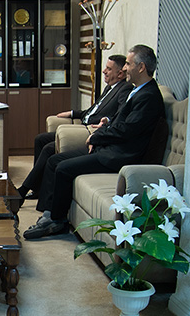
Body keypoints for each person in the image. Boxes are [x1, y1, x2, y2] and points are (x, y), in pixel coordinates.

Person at [23, 45, 165, 240]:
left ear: (141, 67)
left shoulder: (149, 96)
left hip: (119, 156)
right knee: (55, 160)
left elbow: (127, 130)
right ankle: (48, 214)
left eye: (128, 64)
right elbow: (119, 122)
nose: (124, 68)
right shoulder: (138, 91)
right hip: (108, 148)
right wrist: (103, 129)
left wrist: (96, 137)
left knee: (63, 168)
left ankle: (57, 221)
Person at [18, 54, 134, 200]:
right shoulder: (109, 88)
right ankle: (37, 188)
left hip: (89, 131)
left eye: (109, 69)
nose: (104, 71)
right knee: (41, 139)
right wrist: (73, 113)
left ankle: (24, 190)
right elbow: (93, 111)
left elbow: (121, 114)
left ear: (120, 74)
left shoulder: (124, 89)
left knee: (49, 148)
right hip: (82, 125)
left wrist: (107, 120)